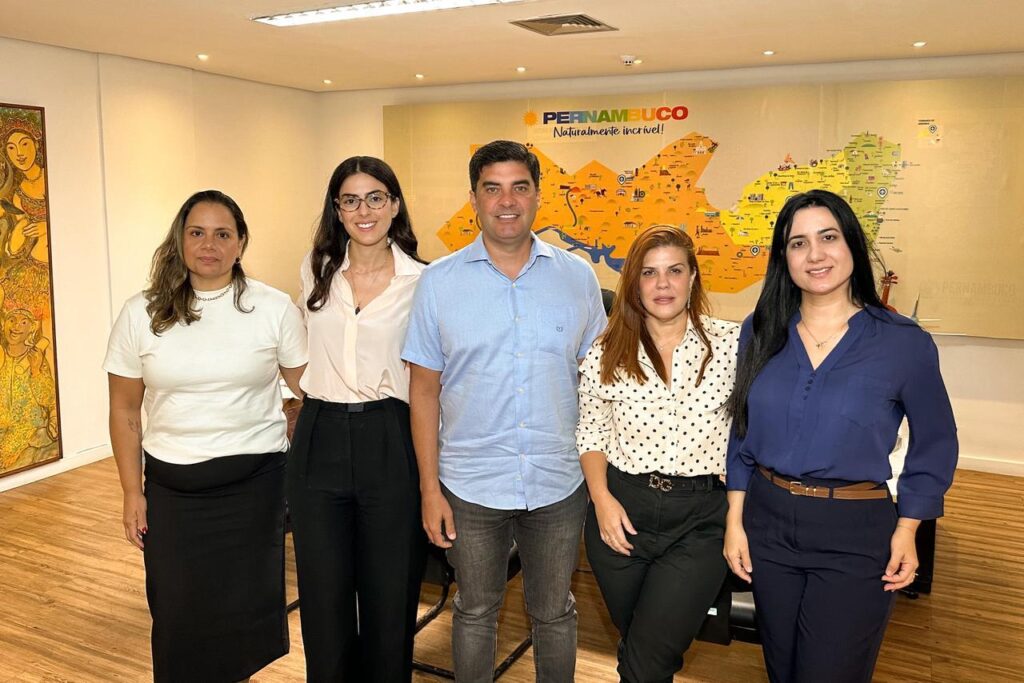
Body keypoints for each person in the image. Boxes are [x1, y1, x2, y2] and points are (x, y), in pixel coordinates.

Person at [723, 189, 958, 683]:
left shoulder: (903, 342)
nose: (815, 255)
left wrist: (909, 528)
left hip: (854, 531)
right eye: (798, 243)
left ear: (851, 243)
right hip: (767, 524)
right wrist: (735, 520)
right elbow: (742, 431)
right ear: (783, 257)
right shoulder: (760, 330)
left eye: (828, 237)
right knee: (781, 668)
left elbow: (936, 441)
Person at [402, 140, 607, 682]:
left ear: (538, 196)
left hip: (558, 481)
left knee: (554, 613)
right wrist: (428, 489)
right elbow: (423, 393)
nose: (507, 201)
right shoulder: (439, 283)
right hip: (469, 484)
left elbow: (599, 384)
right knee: (474, 611)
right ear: (474, 199)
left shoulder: (578, 278)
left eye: (519, 187)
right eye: (492, 189)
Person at [104, 190, 307, 683]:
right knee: (177, 615)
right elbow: (124, 409)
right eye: (197, 233)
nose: (209, 245)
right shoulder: (141, 312)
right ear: (180, 239)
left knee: (240, 618)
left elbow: (312, 392)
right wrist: (132, 491)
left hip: (254, 491)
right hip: (174, 493)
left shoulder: (273, 308)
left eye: (222, 234)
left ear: (240, 243)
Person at [286, 156, 427, 681]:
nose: (363, 211)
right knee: (323, 595)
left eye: (375, 198)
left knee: (390, 593)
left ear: (394, 205)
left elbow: (432, 378)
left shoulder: (424, 281)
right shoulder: (315, 268)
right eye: (350, 200)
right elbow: (295, 345)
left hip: (390, 434)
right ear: (337, 209)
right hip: (319, 433)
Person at [577, 225, 738, 683]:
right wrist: (601, 501)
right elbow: (590, 433)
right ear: (634, 282)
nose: (662, 284)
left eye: (674, 271)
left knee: (647, 658)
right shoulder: (607, 350)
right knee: (644, 649)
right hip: (621, 512)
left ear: (693, 277)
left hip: (700, 521)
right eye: (649, 273)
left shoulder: (731, 346)